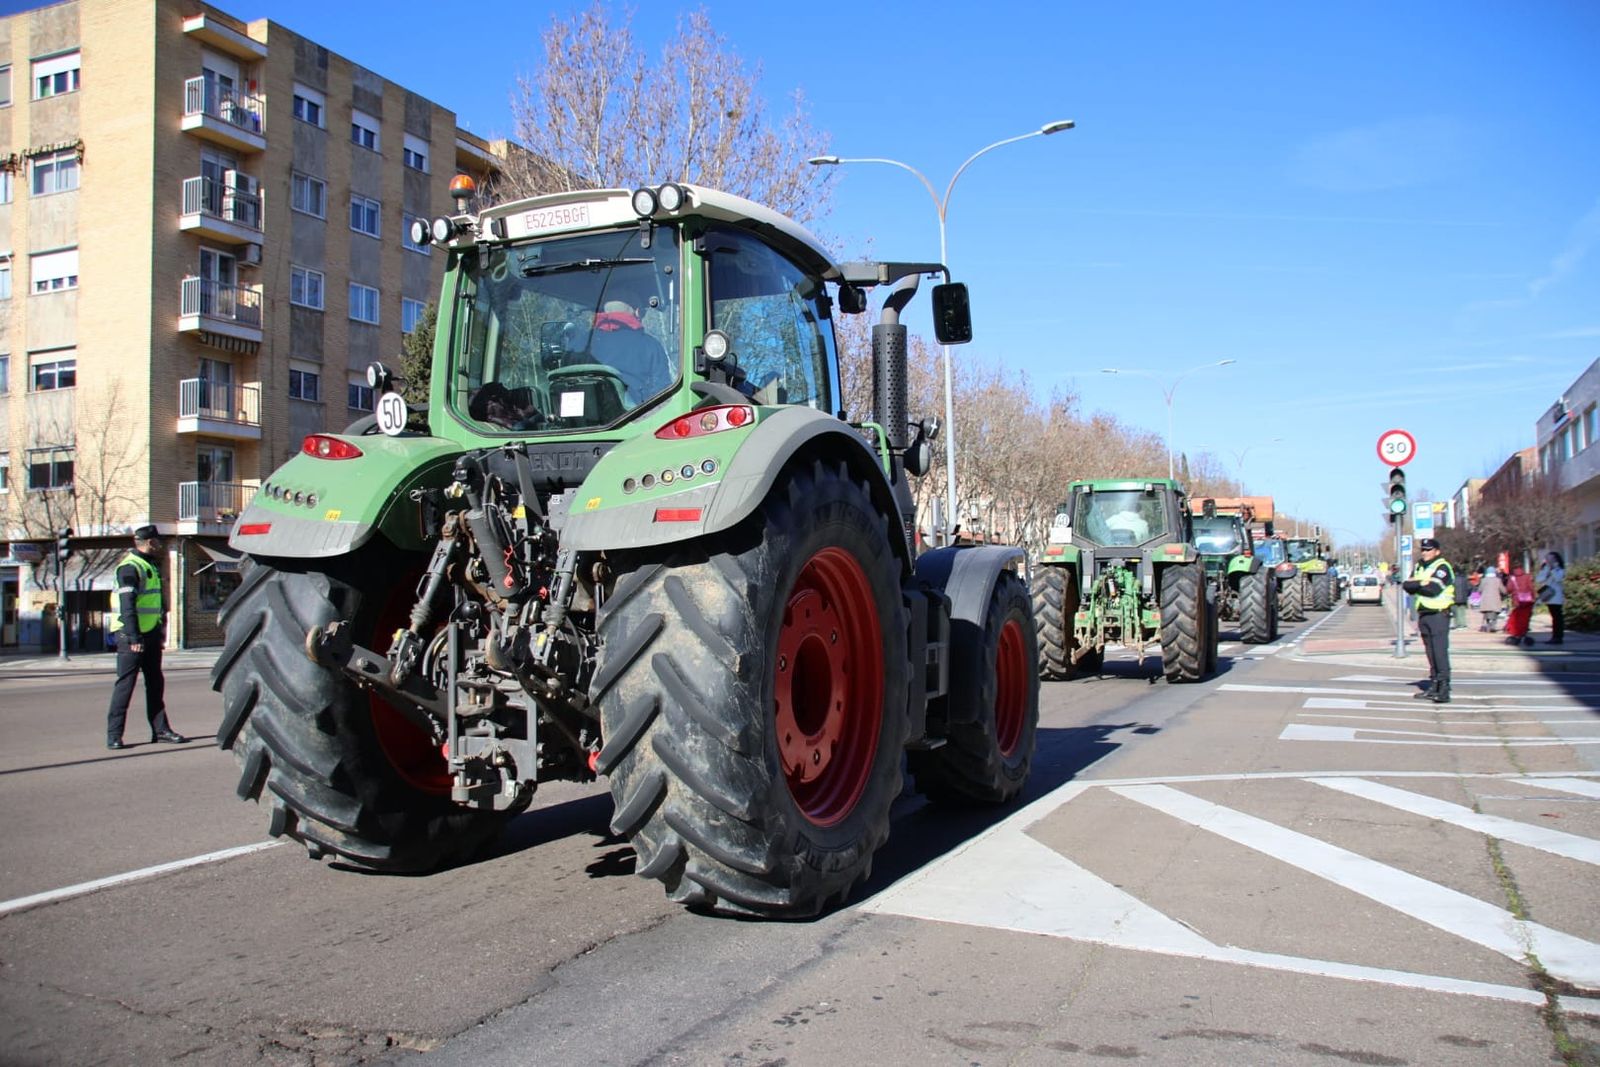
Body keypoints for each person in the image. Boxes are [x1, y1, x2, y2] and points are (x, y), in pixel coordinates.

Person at [105, 526, 186, 749]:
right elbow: (127, 606)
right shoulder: (130, 568)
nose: (159, 545)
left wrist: (157, 632)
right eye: (157, 542)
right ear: (149, 542)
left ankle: (160, 730)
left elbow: (151, 604)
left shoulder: (149, 565)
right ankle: (114, 735)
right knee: (125, 686)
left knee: (155, 684)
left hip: (149, 635)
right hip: (131, 636)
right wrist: (133, 637)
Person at [587, 287, 671, 403]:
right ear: (637, 312)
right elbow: (663, 392)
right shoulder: (649, 345)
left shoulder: (580, 344)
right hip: (634, 417)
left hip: (580, 418)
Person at [1402, 538, 1455, 703]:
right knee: (1431, 653)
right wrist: (1421, 583)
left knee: (1440, 652)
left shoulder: (1442, 567)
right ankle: (1434, 685)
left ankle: (1444, 688)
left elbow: (1433, 589)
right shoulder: (1419, 566)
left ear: (1437, 551)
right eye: (1423, 549)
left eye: (1429, 550)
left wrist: (1417, 584)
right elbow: (1407, 586)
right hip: (1424, 613)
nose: (1425, 552)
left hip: (1439, 614)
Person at [1537, 550, 1566, 645]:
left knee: (1557, 617)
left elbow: (1558, 578)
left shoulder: (1559, 569)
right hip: (1549, 595)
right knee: (1554, 617)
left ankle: (1558, 637)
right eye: (1547, 558)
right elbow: (1539, 579)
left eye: (1550, 558)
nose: (1548, 560)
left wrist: (1553, 569)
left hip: (1556, 596)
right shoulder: (1546, 568)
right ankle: (1554, 636)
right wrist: (1546, 571)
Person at [1504, 563, 1536, 647]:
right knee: (1525, 618)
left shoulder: (1512, 578)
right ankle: (1524, 633)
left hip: (1517, 601)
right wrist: (1533, 597)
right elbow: (1531, 588)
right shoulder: (1527, 576)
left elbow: (1509, 589)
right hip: (1527, 601)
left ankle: (1517, 634)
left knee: (1516, 618)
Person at [1476, 565, 1504, 632]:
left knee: (1487, 613)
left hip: (1486, 601)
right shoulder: (1498, 580)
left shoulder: (1483, 580)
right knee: (1495, 614)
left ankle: (1488, 625)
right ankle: (1493, 626)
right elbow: (1503, 590)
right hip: (1495, 601)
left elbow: (1479, 590)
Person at [1451, 564, 1472, 630]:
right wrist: (1467, 594)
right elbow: (1469, 587)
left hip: (1454, 598)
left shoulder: (1451, 579)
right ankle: (1463, 624)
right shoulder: (1464, 578)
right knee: (1462, 612)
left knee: (1455, 612)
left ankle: (1457, 624)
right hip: (1463, 598)